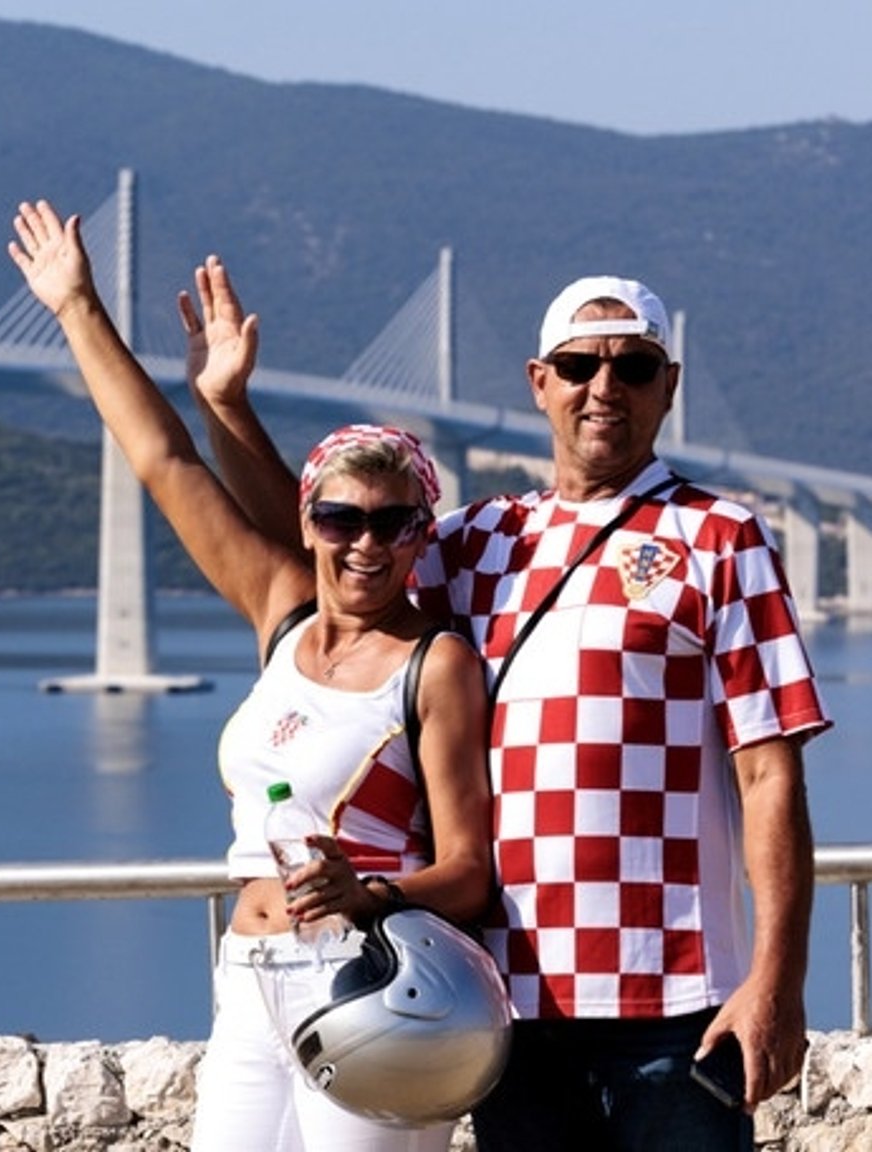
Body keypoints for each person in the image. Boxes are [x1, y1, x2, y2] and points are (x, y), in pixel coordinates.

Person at [190, 265, 832, 1151]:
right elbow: (333, 539)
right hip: (508, 1000)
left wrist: (778, 980)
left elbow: (769, 774)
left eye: (635, 367)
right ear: (540, 384)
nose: (604, 388)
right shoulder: (483, 541)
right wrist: (229, 408)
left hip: (675, 1002)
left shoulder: (721, 539)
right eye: (578, 366)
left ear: (669, 387)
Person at [9, 200, 496, 1150]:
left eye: (394, 526)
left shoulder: (434, 665)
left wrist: (375, 891)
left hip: (366, 980)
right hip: (247, 973)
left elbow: (472, 872)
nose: (365, 545)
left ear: (419, 537)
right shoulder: (283, 618)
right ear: (308, 524)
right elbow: (163, 459)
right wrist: (77, 308)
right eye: (340, 521)